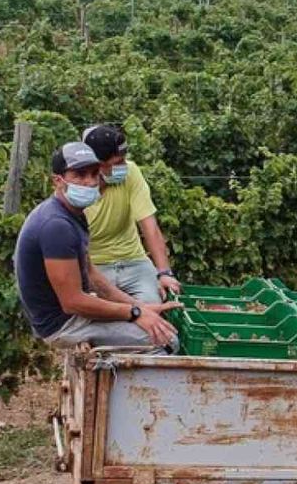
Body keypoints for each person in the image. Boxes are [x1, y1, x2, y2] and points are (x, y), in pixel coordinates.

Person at [14, 141, 180, 350]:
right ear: (58, 181)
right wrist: (134, 314)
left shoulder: (74, 214)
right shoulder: (56, 226)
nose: (89, 182)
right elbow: (72, 301)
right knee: (166, 340)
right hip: (64, 325)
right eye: (80, 175)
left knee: (159, 325)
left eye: (94, 174)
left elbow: (92, 276)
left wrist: (139, 307)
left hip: (76, 316)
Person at [79, 124, 183, 304]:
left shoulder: (131, 172)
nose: (123, 166)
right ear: (97, 165)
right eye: (116, 163)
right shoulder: (78, 191)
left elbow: (150, 226)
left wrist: (164, 272)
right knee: (101, 313)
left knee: (155, 306)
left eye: (124, 159)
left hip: (133, 261)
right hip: (94, 267)